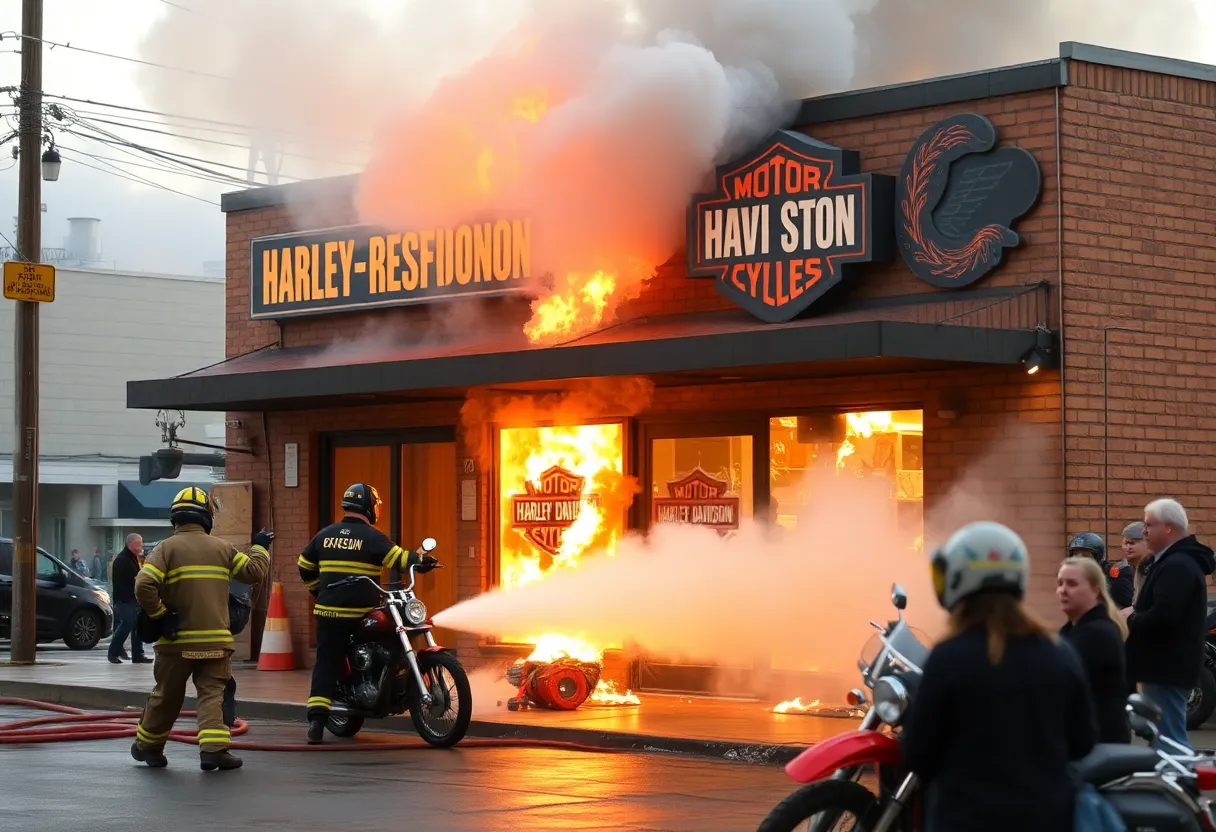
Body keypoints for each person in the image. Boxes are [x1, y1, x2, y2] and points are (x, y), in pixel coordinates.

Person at [902, 521, 1096, 832]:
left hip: (965, 818)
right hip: (1047, 817)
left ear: (956, 580)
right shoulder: (1060, 653)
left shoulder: (948, 657)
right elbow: (1083, 743)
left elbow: (918, 755)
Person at [130, 486, 273, 771]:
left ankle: (148, 747)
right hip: (215, 643)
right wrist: (260, 546)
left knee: (167, 696)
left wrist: (160, 615)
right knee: (212, 694)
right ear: (207, 517)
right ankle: (213, 751)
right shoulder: (222, 548)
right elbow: (254, 572)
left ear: (176, 518)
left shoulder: (165, 549)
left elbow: (143, 584)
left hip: (175, 642)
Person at [297, 482, 437, 744]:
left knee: (326, 662)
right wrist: (423, 561)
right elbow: (400, 558)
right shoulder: (372, 537)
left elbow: (304, 565)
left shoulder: (325, 534)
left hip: (329, 613)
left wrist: (319, 590)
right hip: (361, 612)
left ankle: (316, 724)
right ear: (370, 507)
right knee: (385, 641)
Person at [1123, 498, 1215, 751]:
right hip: (1164, 666)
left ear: (1168, 527)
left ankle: (1180, 786)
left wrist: (1131, 619)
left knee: (1169, 739)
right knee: (1164, 736)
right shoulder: (1173, 562)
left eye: (1148, 525)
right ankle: (1171, 784)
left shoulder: (1178, 565)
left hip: (1167, 667)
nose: (1143, 532)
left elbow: (1164, 615)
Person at [1057, 556, 1130, 743]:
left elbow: (1057, 680)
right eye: (1060, 583)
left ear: (1095, 590)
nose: (1063, 590)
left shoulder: (1098, 634)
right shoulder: (1072, 629)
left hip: (1099, 742)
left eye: (1072, 584)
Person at [108, 534, 150, 664]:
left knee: (137, 626)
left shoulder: (133, 558)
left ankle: (138, 655)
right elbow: (123, 582)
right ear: (130, 544)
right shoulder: (122, 560)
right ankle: (113, 652)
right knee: (127, 624)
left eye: (141, 543)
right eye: (138, 543)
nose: (140, 546)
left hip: (135, 598)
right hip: (125, 599)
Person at [1068, 531, 1134, 609]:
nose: (1080, 560)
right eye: (1075, 555)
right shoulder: (1073, 579)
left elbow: (1126, 609)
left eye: (1085, 556)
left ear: (1098, 557)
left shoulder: (1116, 573)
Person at [1120, 521, 1153, 605]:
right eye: (1126, 543)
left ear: (1147, 543)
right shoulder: (1126, 568)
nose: (1128, 548)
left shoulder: (1152, 568)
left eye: (1132, 543)